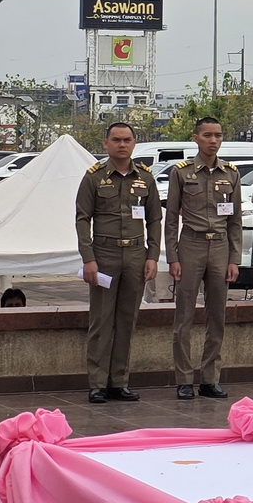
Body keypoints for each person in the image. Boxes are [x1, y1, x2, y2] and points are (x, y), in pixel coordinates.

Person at [75, 122, 162, 402]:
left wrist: (153, 256)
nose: (122, 145)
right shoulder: (94, 177)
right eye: (116, 140)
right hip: (105, 255)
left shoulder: (146, 178)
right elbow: (82, 219)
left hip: (136, 255)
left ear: (135, 143)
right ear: (105, 144)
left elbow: (154, 219)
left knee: (127, 320)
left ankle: (119, 381)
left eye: (127, 140)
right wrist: (88, 259)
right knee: (101, 320)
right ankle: (98, 383)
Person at [166, 117, 242, 401]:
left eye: (218, 135)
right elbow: (171, 218)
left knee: (217, 316)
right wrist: (172, 256)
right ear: (195, 138)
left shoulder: (231, 174)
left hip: (220, 247)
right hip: (191, 244)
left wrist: (235, 258)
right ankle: (184, 378)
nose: (213, 140)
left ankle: (210, 378)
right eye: (207, 135)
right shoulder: (181, 172)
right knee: (184, 315)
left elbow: (235, 221)